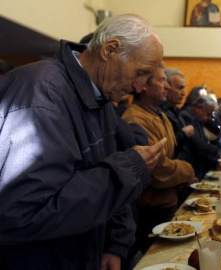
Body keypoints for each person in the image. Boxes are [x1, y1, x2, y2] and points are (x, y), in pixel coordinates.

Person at [0, 14, 166, 270]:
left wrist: (114, 243)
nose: (140, 86)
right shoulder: (40, 93)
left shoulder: (100, 100)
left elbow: (100, 174)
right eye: (141, 72)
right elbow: (25, 213)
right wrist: (129, 168)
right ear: (111, 49)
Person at [122, 65, 196, 253]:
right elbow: (156, 166)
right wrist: (187, 170)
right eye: (162, 81)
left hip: (167, 199)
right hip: (149, 206)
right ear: (144, 86)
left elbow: (168, 156)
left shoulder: (160, 115)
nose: (167, 87)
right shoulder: (135, 117)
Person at [180, 95, 221, 179]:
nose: (209, 118)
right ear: (198, 108)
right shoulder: (187, 117)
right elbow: (198, 146)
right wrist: (218, 151)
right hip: (189, 167)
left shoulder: (197, 119)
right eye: (208, 114)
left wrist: (215, 163)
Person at [161, 67, 195, 157]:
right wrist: (184, 134)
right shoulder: (159, 112)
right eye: (180, 88)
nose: (183, 93)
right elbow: (164, 147)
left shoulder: (176, 110)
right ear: (166, 87)